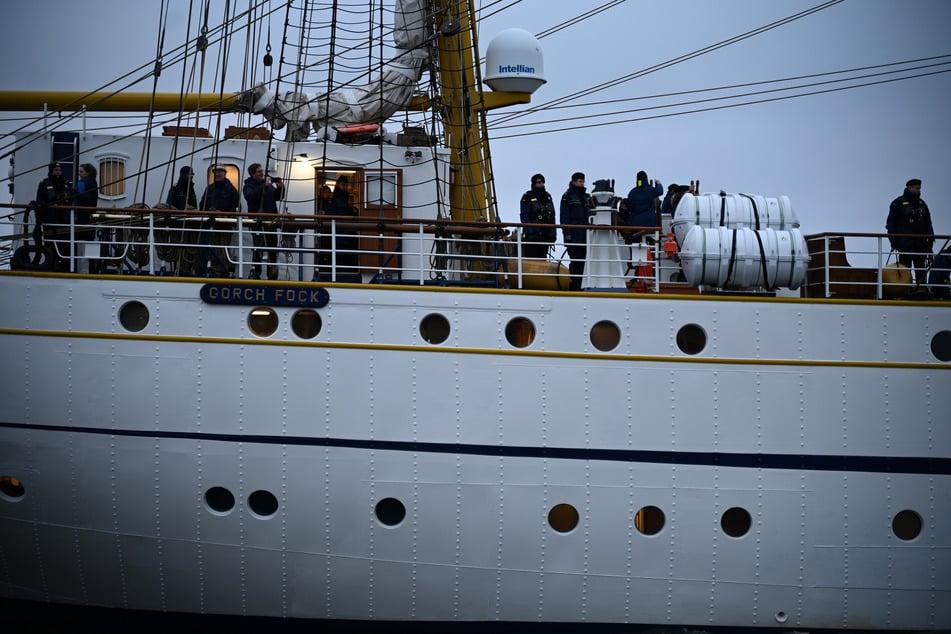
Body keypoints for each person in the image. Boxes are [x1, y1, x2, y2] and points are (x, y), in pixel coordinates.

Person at [887, 178, 934, 284]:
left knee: (921, 269)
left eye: (919, 188)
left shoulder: (922, 205)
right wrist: (894, 241)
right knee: (904, 271)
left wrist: (930, 241)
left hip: (920, 245)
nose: (919, 190)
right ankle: (905, 290)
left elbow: (928, 224)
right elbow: (891, 224)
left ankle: (921, 289)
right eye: (917, 188)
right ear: (909, 187)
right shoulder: (897, 204)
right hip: (904, 244)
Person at [243, 163, 284, 279]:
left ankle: (272, 275)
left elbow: (277, 197)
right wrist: (264, 187)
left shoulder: (266, 185)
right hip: (258, 223)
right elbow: (250, 197)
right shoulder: (248, 186)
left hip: (271, 222)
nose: (262, 173)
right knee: (258, 250)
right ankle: (256, 274)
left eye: (262, 171)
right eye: (259, 171)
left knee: (272, 249)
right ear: (252, 174)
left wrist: (280, 187)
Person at [198, 164, 241, 276]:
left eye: (220, 172)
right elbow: (202, 205)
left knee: (222, 250)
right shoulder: (210, 189)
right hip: (209, 224)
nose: (217, 174)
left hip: (224, 226)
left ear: (224, 174)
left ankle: (222, 271)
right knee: (207, 249)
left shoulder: (231, 190)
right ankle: (207, 270)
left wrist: (223, 213)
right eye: (215, 172)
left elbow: (237, 207)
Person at [34, 162, 76, 270]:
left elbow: (72, 197)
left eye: (59, 170)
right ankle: (50, 264)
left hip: (64, 219)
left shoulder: (65, 184)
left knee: (65, 243)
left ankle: (64, 265)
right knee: (50, 242)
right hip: (50, 219)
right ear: (51, 171)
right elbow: (40, 200)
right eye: (56, 170)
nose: (58, 172)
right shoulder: (44, 184)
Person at [559, 171, 592, 291]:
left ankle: (582, 285)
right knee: (576, 262)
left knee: (584, 262)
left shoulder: (587, 197)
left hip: (586, 236)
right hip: (574, 236)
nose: (582, 183)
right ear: (573, 181)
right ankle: (574, 286)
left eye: (583, 181)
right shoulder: (568, 196)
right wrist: (567, 235)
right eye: (579, 181)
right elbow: (564, 217)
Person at [321, 174, 359, 274]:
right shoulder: (339, 204)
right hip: (340, 240)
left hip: (340, 240)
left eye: (346, 185)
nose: (345, 187)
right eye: (343, 185)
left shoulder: (332, 203)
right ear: (338, 185)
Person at [519, 173, 556, 259]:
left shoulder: (548, 197)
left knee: (543, 260)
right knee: (532, 262)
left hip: (545, 236)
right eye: (539, 182)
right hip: (531, 238)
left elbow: (552, 216)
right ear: (534, 184)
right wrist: (530, 233)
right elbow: (524, 217)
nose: (541, 184)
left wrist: (553, 234)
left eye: (543, 182)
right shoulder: (527, 197)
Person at [622, 170, 664, 242]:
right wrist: (659, 184)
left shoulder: (633, 192)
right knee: (652, 245)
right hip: (650, 225)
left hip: (635, 225)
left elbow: (628, 202)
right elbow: (660, 191)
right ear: (646, 179)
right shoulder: (650, 190)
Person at [74, 163, 100, 273]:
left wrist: (74, 194)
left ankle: (77, 268)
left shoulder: (87, 184)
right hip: (88, 218)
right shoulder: (92, 183)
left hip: (83, 218)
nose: (79, 174)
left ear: (87, 173)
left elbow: (87, 200)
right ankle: (91, 269)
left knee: (77, 242)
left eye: (81, 171)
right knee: (89, 243)